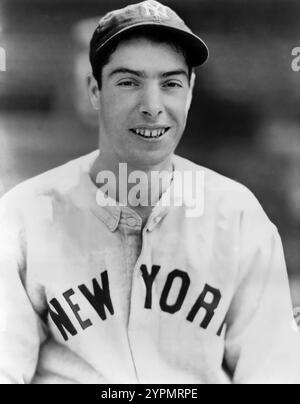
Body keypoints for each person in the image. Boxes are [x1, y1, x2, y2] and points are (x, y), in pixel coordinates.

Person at [0, 0, 299, 385]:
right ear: (95, 90)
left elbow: (273, 370)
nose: (152, 107)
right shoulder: (23, 217)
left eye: (170, 84)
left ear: (190, 92)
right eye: (128, 82)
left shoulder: (239, 216)